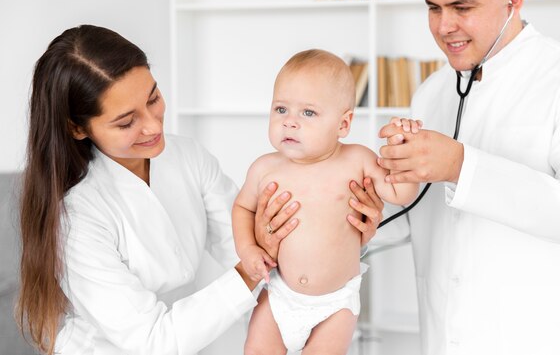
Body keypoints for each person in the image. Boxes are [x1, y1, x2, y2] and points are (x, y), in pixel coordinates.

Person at [16, 25, 383, 355]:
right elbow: (152, 340)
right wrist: (251, 268)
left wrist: (346, 232)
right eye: (127, 121)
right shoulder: (77, 217)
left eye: (153, 98)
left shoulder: (186, 157)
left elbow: (248, 242)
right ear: (78, 128)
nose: (152, 126)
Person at [377, 0, 560, 354]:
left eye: (462, 7)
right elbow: (428, 220)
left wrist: (461, 166)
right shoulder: (430, 93)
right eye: (434, 8)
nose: (443, 26)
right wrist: (376, 214)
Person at [232, 49, 418, 355]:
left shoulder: (356, 159)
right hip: (278, 294)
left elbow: (403, 193)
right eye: (281, 109)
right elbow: (242, 207)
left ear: (343, 124)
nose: (290, 122)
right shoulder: (264, 167)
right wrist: (248, 249)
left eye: (308, 113)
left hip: (334, 305)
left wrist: (401, 148)